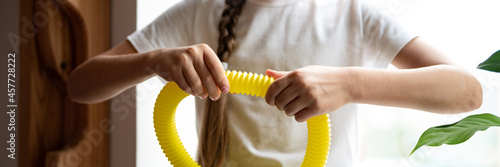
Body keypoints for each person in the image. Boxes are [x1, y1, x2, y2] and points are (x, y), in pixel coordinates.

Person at [67, 0, 483, 166]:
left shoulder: (353, 14)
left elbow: (467, 92)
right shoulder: (200, 11)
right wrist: (153, 60)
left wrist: (350, 84)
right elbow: (80, 86)